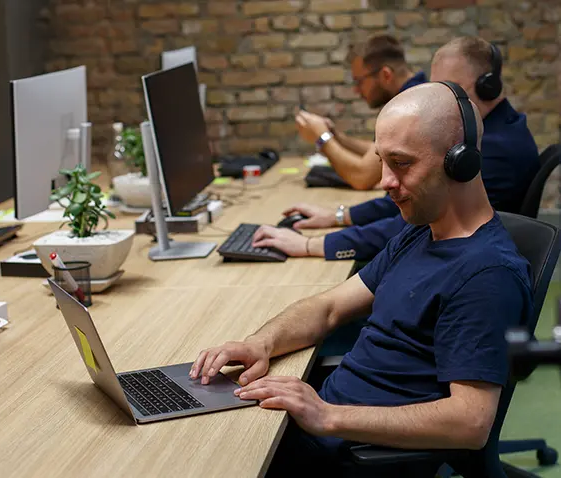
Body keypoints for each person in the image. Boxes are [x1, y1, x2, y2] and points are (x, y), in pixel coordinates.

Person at [190, 82, 534, 477]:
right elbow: (330, 307)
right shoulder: (423, 230)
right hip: (319, 435)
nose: (386, 180)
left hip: (351, 456)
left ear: (461, 162)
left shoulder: (486, 275)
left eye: (401, 163)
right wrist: (259, 343)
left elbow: (470, 423)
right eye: (382, 161)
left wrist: (327, 415)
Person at [261, 37, 540, 263]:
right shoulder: (492, 129)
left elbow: (414, 226)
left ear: (487, 87)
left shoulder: (494, 149)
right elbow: (406, 196)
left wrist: (315, 244)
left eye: (450, 89)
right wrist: (338, 217)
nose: (440, 99)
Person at [297, 34, 426, 190]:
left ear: (386, 75)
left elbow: (362, 177)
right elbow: (378, 153)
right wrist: (337, 137)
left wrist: (322, 138)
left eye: (359, 81)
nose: (356, 90)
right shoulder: (416, 94)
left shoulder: (408, 108)